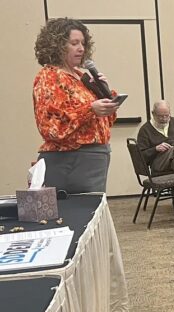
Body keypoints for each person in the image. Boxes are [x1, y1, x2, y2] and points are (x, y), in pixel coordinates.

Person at [33, 17, 121, 193]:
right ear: (57, 46)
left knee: (92, 212)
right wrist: (90, 109)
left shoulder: (81, 77)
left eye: (83, 43)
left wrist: (105, 95)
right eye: (74, 43)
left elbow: (105, 122)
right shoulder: (50, 77)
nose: (81, 48)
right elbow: (51, 128)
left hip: (95, 156)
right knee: (79, 215)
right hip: (71, 159)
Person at [136, 100, 174, 176]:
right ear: (153, 114)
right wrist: (155, 149)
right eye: (160, 116)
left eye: (167, 115)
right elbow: (140, 156)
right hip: (159, 163)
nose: (164, 119)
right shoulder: (145, 129)